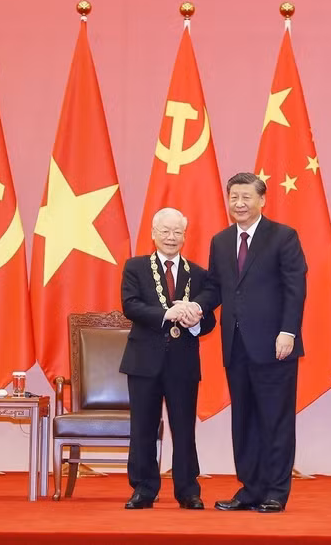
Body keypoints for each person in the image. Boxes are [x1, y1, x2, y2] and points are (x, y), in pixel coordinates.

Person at [188, 172, 307, 513]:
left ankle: (275, 492)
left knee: (275, 419)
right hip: (236, 345)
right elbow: (215, 287)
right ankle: (250, 488)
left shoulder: (283, 237)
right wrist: (197, 306)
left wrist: (289, 332)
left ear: (262, 200)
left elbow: (295, 288)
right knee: (244, 420)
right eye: (234, 197)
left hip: (275, 345)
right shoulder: (221, 241)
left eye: (246, 197)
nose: (239, 204)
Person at [119, 207, 215, 510]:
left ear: (185, 236)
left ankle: (188, 490)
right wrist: (166, 314)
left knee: (184, 428)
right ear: (153, 233)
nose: (171, 237)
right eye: (165, 231)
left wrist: (195, 321)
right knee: (143, 427)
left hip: (183, 364)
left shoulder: (198, 274)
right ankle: (143, 489)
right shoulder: (135, 267)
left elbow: (210, 320)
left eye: (177, 232)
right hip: (143, 361)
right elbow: (130, 306)